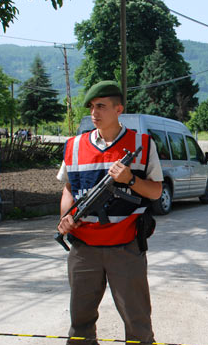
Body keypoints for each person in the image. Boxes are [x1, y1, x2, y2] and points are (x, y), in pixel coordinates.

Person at [57, 80, 163, 345]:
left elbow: (156, 192)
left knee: (137, 320)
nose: (94, 113)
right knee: (80, 320)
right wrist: (66, 217)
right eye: (92, 107)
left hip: (126, 247)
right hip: (83, 248)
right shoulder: (75, 145)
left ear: (119, 109)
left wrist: (129, 180)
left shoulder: (143, 144)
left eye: (101, 106)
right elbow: (68, 188)